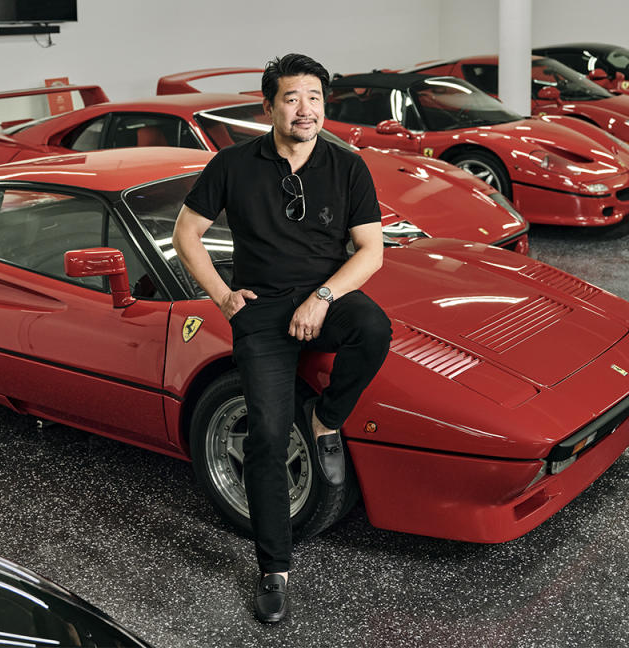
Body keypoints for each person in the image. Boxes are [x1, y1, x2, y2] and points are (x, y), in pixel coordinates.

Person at [171, 53, 391, 623]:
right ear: (268, 106)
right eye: (292, 98)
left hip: (324, 294)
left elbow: (371, 251)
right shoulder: (232, 165)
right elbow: (186, 232)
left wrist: (322, 299)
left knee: (373, 327)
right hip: (261, 311)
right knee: (267, 437)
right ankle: (274, 570)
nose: (305, 109)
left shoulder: (348, 167)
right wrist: (224, 297)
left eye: (315, 98)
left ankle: (324, 422)